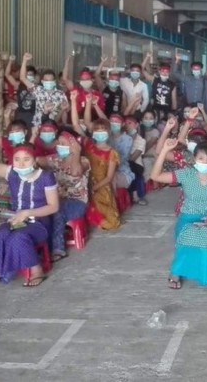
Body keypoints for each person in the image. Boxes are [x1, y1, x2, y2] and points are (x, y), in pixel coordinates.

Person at [0, 119, 59, 289]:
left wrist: (27, 213)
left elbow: (53, 207)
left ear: (34, 160)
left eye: (26, 159)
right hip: (17, 220)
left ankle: (37, 270)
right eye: (17, 159)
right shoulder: (12, 173)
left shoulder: (46, 176)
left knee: (19, 236)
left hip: (40, 224)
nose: (21, 163)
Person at [152, 138, 207, 288]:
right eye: (201, 158)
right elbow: (156, 176)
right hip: (187, 218)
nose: (204, 162)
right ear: (194, 159)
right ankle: (177, 272)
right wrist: (164, 152)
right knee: (188, 234)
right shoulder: (186, 174)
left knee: (206, 236)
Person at [70, 91, 121, 230]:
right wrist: (73, 101)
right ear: (93, 133)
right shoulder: (88, 144)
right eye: (96, 130)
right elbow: (76, 124)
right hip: (83, 181)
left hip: (101, 186)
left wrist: (94, 188)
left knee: (111, 222)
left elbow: (109, 177)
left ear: (109, 133)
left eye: (103, 130)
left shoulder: (112, 153)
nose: (99, 133)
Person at [38, 132, 90, 261]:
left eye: (63, 144)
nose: (60, 146)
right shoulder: (55, 160)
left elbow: (75, 173)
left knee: (57, 210)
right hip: (57, 199)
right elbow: (38, 160)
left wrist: (76, 153)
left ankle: (58, 249)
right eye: (59, 143)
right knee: (41, 208)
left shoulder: (83, 160)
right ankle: (42, 246)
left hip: (77, 202)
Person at [19, 53, 67, 127]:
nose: (49, 82)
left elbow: (61, 114)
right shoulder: (37, 90)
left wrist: (62, 110)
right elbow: (23, 78)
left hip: (52, 126)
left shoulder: (60, 94)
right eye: (46, 80)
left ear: (54, 81)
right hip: (37, 125)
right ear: (42, 81)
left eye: (51, 80)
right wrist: (24, 60)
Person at [142, 53, 178, 121]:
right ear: (159, 71)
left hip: (167, 111)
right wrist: (147, 57)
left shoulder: (172, 84)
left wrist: (173, 112)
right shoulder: (154, 80)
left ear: (169, 73)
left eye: (166, 72)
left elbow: (174, 101)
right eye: (162, 71)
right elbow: (142, 69)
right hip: (155, 110)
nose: (164, 73)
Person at [4, 54, 36, 128]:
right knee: (10, 110)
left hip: (34, 111)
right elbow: (7, 74)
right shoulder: (18, 85)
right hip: (21, 110)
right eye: (27, 74)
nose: (29, 76)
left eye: (31, 75)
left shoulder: (37, 87)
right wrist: (10, 61)